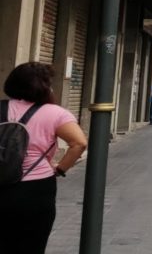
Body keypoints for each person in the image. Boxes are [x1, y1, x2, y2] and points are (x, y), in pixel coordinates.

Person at [0, 62, 87, 254]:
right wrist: (60, 169)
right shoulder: (55, 113)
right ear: (44, 86)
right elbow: (79, 143)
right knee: (32, 245)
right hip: (35, 188)